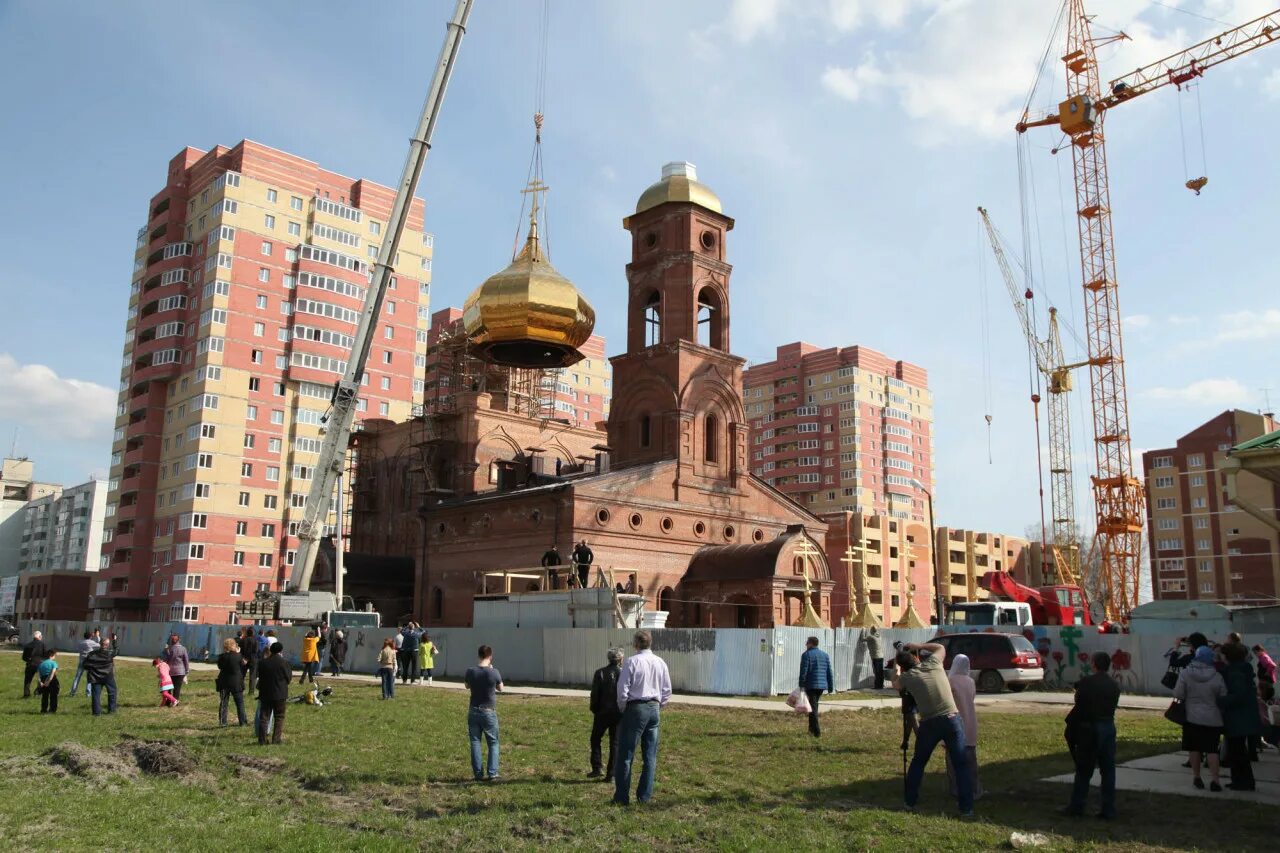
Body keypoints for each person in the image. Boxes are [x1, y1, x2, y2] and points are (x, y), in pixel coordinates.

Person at [893, 641, 973, 818]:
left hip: (929, 723)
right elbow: (941, 648)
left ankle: (910, 801)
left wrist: (895, 665)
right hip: (952, 719)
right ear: (916, 657)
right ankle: (966, 808)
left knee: (919, 762)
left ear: (903, 666)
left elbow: (895, 684)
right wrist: (918, 644)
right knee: (960, 764)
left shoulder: (908, 677)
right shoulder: (934, 663)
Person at [613, 630, 672, 806]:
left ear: (636, 644)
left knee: (625, 754)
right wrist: (658, 705)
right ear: (650, 643)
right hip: (654, 708)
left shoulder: (632, 662)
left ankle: (622, 797)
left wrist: (624, 708)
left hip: (636, 708)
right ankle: (644, 796)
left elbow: (622, 689)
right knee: (650, 755)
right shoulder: (660, 662)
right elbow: (667, 690)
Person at [1062, 651, 1120, 819]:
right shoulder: (1114, 684)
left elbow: (1079, 703)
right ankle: (1108, 809)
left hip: (1090, 727)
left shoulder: (1086, 683)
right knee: (1108, 770)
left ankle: (1077, 806)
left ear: (1093, 664)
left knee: (1084, 770)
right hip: (1108, 725)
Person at [1172, 645, 1225, 791]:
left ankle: (1197, 777)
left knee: (1194, 748)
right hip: (1213, 718)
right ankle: (1215, 781)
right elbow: (1223, 695)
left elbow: (1178, 694)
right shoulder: (1217, 675)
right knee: (1212, 750)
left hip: (1191, 716)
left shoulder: (1186, 674)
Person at [1221, 641, 1260, 790]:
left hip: (1237, 716)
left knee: (1237, 751)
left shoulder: (1234, 672)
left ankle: (1243, 781)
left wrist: (1221, 700)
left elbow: (1238, 695)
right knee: (1237, 750)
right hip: (1243, 715)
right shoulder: (1242, 669)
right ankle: (1239, 780)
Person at [946, 654, 984, 800]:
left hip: (955, 720)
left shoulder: (950, 681)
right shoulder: (970, 681)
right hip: (970, 721)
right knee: (971, 760)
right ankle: (975, 789)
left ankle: (956, 789)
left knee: (952, 759)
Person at [464, 645, 504, 782]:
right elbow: (501, 688)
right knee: (493, 742)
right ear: (490, 656)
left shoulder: (470, 671)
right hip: (489, 712)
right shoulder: (494, 672)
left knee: (475, 742)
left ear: (479, 655)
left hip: (473, 710)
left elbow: (467, 686)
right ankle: (492, 773)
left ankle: (478, 774)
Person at [589, 648, 623, 781]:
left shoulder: (600, 673)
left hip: (602, 712)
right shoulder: (623, 673)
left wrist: (594, 709)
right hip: (618, 712)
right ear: (620, 659)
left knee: (595, 739)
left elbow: (594, 694)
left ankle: (597, 767)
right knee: (615, 743)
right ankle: (612, 773)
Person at [256, 642, 293, 745]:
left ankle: (262, 740)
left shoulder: (263, 662)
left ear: (270, 650)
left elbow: (259, 677)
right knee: (279, 717)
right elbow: (288, 678)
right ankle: (276, 739)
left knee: (264, 717)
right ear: (281, 651)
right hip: (280, 693)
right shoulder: (284, 663)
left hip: (265, 693)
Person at [798, 636, 835, 738]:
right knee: (813, 706)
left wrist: (801, 685)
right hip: (821, 686)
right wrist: (831, 686)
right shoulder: (825, 655)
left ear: (811, 643)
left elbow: (803, 671)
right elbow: (829, 672)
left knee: (813, 708)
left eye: (807, 643)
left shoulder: (806, 655)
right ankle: (811, 730)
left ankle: (817, 732)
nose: (806, 645)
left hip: (811, 685)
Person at [216, 637, 248, 727]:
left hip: (224, 681)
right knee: (239, 703)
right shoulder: (238, 656)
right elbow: (244, 664)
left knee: (224, 703)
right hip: (236, 682)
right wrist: (238, 653)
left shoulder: (222, 656)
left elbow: (220, 666)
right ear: (234, 645)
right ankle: (243, 722)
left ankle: (223, 722)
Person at [84, 639, 118, 716]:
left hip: (95, 677)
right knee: (112, 692)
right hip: (108, 676)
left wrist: (93, 669)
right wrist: (115, 641)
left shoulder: (91, 654)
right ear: (107, 645)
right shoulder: (110, 653)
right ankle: (112, 710)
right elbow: (117, 651)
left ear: (100, 644)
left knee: (96, 695)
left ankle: (96, 712)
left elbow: (85, 665)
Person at [70, 630, 100, 698]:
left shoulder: (80, 642)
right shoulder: (92, 642)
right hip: (89, 662)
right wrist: (97, 636)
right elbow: (99, 645)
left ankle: (73, 692)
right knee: (89, 678)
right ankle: (88, 693)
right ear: (91, 636)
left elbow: (77, 649)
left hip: (81, 661)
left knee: (77, 677)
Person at [164, 634, 190, 700]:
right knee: (177, 688)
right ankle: (175, 702)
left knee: (168, 687)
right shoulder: (183, 649)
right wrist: (187, 670)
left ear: (171, 640)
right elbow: (186, 660)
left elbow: (166, 660)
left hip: (170, 671)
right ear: (179, 640)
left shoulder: (169, 649)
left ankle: (168, 701)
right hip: (180, 672)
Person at [21, 630, 46, 698]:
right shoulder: (42, 644)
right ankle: (37, 692)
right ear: (40, 636)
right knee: (41, 679)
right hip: (39, 664)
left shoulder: (27, 645)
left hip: (30, 664)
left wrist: (29, 660)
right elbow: (45, 655)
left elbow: (23, 657)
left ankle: (26, 694)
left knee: (27, 680)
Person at [37, 649, 60, 714]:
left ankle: (43, 709)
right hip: (52, 680)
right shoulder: (53, 663)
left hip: (43, 680)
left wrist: (40, 682)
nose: (55, 657)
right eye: (55, 655)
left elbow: (38, 675)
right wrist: (49, 681)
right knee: (53, 695)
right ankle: (52, 710)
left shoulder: (41, 664)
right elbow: (53, 672)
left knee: (45, 696)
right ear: (52, 655)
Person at [862, 625, 885, 690]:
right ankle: (881, 685)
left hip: (875, 657)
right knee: (880, 672)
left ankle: (877, 686)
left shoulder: (871, 637)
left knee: (876, 672)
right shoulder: (879, 637)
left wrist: (863, 630)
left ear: (871, 630)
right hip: (881, 656)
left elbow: (862, 639)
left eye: (870, 630)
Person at [239, 628, 260, 696]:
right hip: (253, 660)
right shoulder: (255, 641)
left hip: (244, 659)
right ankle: (251, 692)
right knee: (252, 676)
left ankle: (240, 689)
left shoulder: (242, 640)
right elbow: (255, 651)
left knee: (242, 675)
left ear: (247, 633)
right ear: (253, 633)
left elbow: (240, 650)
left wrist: (245, 658)